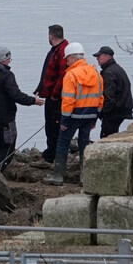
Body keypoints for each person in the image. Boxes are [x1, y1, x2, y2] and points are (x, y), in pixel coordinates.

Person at [0, 46, 43, 172]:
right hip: (5, 118)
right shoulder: (6, 75)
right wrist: (33, 101)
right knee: (8, 146)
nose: (10, 61)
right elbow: (15, 95)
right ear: (4, 59)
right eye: (9, 59)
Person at [44, 42, 103, 185]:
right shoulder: (95, 73)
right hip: (90, 115)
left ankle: (58, 176)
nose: (67, 61)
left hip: (74, 116)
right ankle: (84, 178)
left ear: (74, 58)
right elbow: (101, 97)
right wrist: (96, 116)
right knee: (84, 144)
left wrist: (64, 120)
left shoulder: (70, 75)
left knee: (63, 143)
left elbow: (68, 100)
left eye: (68, 59)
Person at [34, 24, 68, 164]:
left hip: (56, 98)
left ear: (51, 36)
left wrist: (54, 94)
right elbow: (48, 73)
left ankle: (51, 157)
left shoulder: (62, 51)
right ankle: (51, 154)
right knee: (50, 126)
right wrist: (40, 88)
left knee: (53, 127)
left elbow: (62, 76)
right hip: (50, 94)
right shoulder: (56, 50)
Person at [93, 45, 133, 138]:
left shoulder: (108, 73)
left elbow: (109, 97)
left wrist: (103, 113)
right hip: (122, 109)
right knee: (113, 135)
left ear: (107, 56)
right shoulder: (117, 68)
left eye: (99, 56)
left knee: (106, 137)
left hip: (114, 112)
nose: (97, 59)